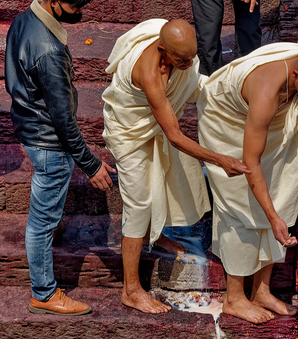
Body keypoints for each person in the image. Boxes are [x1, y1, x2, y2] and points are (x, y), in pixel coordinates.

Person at [104, 17, 249, 313]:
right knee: (139, 203)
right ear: (161, 50)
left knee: (166, 182)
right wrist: (220, 160)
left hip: (155, 125)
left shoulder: (179, 56)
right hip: (129, 133)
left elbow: (196, 83)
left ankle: (153, 237)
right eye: (181, 59)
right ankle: (131, 290)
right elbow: (174, 136)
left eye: (191, 57)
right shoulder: (150, 72)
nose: (188, 63)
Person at [197, 39, 298, 323]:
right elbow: (250, 163)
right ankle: (234, 297)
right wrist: (272, 216)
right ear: (295, 74)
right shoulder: (267, 89)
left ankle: (262, 291)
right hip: (228, 125)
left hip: (266, 125)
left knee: (283, 188)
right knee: (241, 204)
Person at [4, 0, 116, 314]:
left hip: (30, 127)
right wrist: (90, 163)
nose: (79, 16)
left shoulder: (24, 18)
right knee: (41, 224)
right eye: (73, 9)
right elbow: (63, 121)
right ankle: (44, 292)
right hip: (48, 141)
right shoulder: (49, 51)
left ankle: (46, 249)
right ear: (54, 1)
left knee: (45, 218)